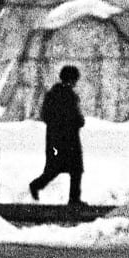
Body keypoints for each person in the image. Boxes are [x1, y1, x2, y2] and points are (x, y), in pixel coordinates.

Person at [29, 64, 86, 205]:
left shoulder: (53, 94)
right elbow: (75, 118)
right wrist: (77, 121)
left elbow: (46, 115)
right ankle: (73, 199)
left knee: (60, 168)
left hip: (57, 138)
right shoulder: (69, 96)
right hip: (67, 139)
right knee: (72, 169)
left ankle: (37, 185)